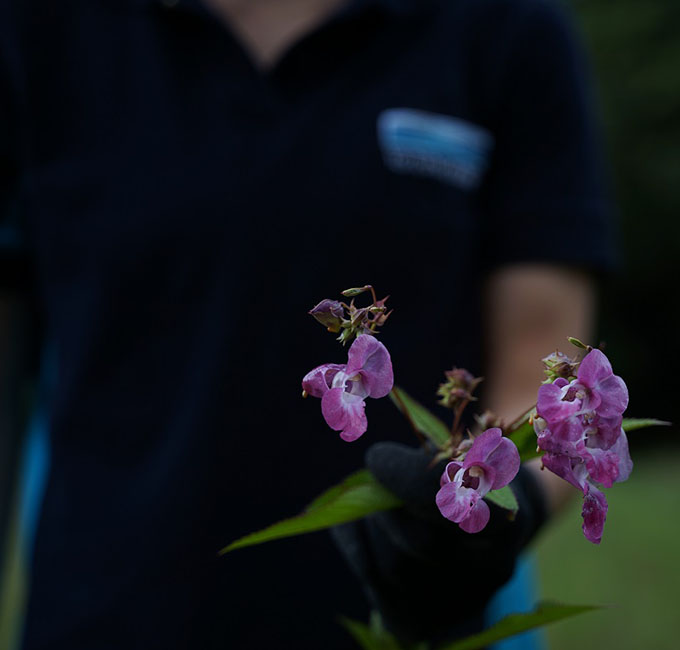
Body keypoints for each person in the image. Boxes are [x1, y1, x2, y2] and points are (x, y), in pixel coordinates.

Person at [0, 0, 617, 647]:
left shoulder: (506, 25)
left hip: (418, 631)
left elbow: (541, 366)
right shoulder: (38, 28)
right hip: (107, 616)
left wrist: (492, 512)